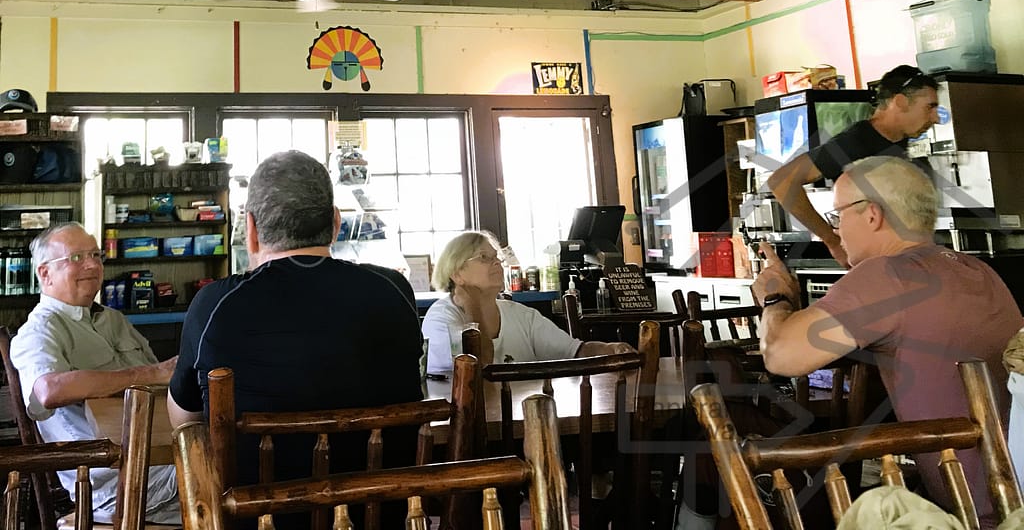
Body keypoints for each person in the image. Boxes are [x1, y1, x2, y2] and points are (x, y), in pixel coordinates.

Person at [752, 155, 1021, 523]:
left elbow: (781, 356)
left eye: (837, 216)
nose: (836, 230)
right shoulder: (978, 269)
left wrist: (775, 298)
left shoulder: (889, 275)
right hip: (1012, 494)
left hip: (975, 514)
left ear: (872, 215)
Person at [168, 149, 423, 491]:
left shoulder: (214, 304)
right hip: (383, 513)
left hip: (256, 520)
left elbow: (186, 425)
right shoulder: (394, 289)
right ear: (335, 224)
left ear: (251, 229)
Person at [10, 222, 180, 524]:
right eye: (76, 258)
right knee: (232, 473)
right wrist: (150, 373)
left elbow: (162, 387)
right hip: (115, 481)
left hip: (163, 455)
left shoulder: (113, 320)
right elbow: (49, 390)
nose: (92, 265)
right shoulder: (38, 331)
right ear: (45, 274)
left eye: (96, 255)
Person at [766, 64, 940, 266]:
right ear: (900, 102)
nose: (936, 118)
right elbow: (781, 181)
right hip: (877, 269)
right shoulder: (856, 142)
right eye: (930, 107)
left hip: (912, 262)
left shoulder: (908, 144)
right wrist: (832, 240)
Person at [422, 230, 633, 374]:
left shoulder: (520, 314)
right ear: (456, 273)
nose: (497, 262)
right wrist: (473, 306)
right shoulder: (441, 318)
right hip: (471, 430)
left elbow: (576, 352)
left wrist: (611, 349)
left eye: (497, 257)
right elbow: (478, 367)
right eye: (484, 257)